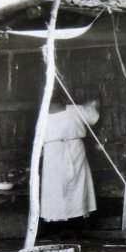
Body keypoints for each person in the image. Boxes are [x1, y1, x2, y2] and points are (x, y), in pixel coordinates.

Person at [41, 89, 100, 222]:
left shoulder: (73, 110)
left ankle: (64, 217)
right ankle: (67, 217)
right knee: (60, 185)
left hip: (62, 151)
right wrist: (93, 104)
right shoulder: (75, 110)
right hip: (62, 151)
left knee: (61, 185)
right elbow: (94, 116)